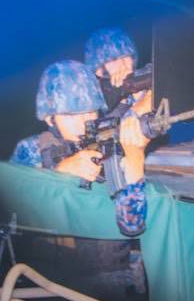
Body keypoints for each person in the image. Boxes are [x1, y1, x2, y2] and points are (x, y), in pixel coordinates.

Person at [10, 60, 148, 237]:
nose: (83, 123)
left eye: (90, 112)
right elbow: (11, 210)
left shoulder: (110, 145)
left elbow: (131, 226)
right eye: (70, 116)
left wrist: (135, 157)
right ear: (50, 118)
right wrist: (58, 174)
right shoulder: (31, 149)